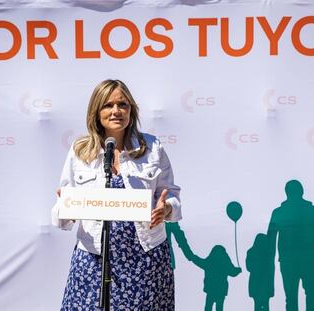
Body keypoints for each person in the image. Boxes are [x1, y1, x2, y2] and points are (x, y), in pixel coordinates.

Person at [51, 79, 181, 310]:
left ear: (131, 110)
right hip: (94, 258)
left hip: (145, 258)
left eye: (123, 104)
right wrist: (66, 207)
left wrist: (167, 209)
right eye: (108, 105)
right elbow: (61, 217)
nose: (116, 111)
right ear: (96, 111)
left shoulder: (152, 147)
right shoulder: (80, 150)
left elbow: (171, 195)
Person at [267, 180, 314, 311]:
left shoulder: (278, 213)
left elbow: (270, 241)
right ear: (302, 191)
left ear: (286, 193)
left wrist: (268, 265)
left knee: (291, 298)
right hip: (307, 259)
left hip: (288, 261)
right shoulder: (312, 210)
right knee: (312, 293)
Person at [191, 245, 241, 311]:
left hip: (211, 289)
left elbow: (199, 261)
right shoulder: (225, 262)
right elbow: (232, 272)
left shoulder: (210, 261)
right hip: (221, 290)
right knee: (219, 308)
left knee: (208, 307)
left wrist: (193, 257)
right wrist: (238, 270)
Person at [246, 233, 274, 311]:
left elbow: (248, 267)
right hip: (265, 282)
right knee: (265, 305)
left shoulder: (251, 252)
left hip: (256, 283)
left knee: (257, 305)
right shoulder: (268, 254)